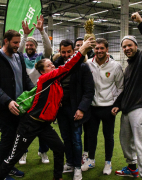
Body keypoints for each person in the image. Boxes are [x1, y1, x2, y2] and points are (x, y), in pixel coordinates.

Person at [0, 37, 95, 180]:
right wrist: (82, 50)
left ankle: (57, 177)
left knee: (59, 148)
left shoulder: (55, 83)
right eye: (49, 65)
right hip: (29, 124)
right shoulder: (45, 79)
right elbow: (66, 67)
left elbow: (68, 71)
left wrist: (55, 104)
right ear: (42, 71)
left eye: (52, 64)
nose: (53, 66)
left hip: (44, 125)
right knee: (12, 157)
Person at [111, 12, 142, 180]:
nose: (127, 48)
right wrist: (118, 104)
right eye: (124, 47)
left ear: (136, 46)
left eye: (129, 45)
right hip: (128, 109)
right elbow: (126, 89)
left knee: (141, 145)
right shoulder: (128, 67)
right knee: (125, 141)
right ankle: (132, 168)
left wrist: (141, 23)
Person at [0, 30, 35, 180]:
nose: (18, 45)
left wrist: (35, 92)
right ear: (6, 41)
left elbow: (25, 78)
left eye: (18, 42)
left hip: (18, 105)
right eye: (14, 42)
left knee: (15, 138)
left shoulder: (19, 56)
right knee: (8, 136)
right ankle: (1, 170)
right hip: (2, 106)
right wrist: (7, 101)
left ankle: (9, 166)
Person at [81, 38, 124, 175]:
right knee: (91, 136)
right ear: (94, 49)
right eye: (97, 48)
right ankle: (91, 160)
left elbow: (120, 87)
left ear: (107, 49)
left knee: (108, 136)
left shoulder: (115, 66)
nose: (99, 51)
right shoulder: (88, 64)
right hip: (92, 107)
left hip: (108, 108)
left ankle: (108, 163)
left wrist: (116, 104)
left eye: (102, 48)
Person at [53, 39, 94, 180]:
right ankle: (69, 162)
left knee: (76, 139)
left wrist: (82, 109)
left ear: (74, 51)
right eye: (63, 52)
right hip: (61, 109)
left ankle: (77, 167)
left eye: (68, 52)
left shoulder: (83, 67)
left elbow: (89, 91)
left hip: (76, 109)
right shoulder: (55, 66)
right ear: (59, 51)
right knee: (65, 138)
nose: (65, 54)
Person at [17, 15, 52, 165]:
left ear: (35, 47)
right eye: (27, 45)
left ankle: (43, 151)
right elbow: (17, 50)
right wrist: (24, 35)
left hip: (42, 96)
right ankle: (23, 152)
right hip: (26, 96)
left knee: (43, 124)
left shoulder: (41, 58)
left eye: (32, 45)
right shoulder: (20, 57)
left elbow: (49, 49)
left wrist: (42, 31)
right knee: (24, 127)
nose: (29, 47)